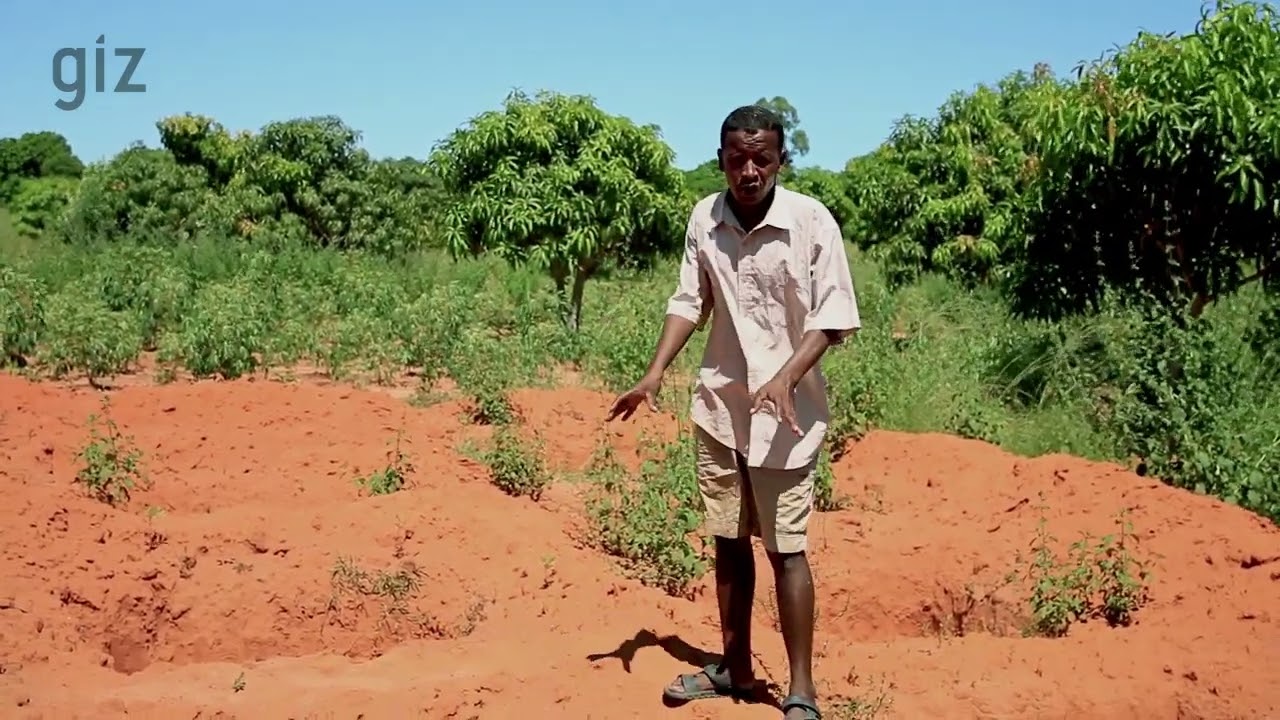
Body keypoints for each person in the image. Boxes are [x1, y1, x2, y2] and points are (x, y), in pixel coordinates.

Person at [606, 104, 861, 720]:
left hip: (788, 416)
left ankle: (800, 691)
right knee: (727, 540)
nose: (748, 171)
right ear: (721, 158)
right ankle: (736, 669)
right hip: (720, 407)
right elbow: (690, 299)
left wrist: (784, 377)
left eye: (761, 158)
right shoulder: (705, 217)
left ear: (780, 160)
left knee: (786, 548)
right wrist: (655, 370)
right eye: (736, 158)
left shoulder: (810, 222)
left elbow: (834, 317)